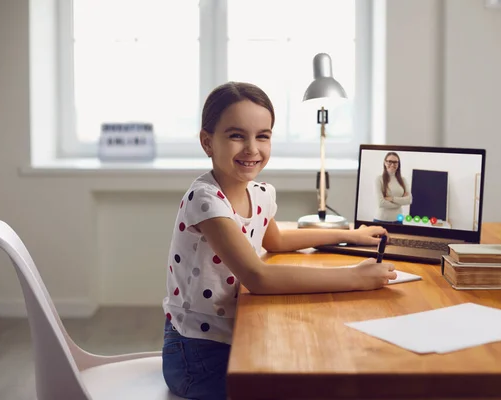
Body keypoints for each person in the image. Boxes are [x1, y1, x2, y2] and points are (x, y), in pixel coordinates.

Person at [162, 81, 397, 400]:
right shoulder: (206, 201)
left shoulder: (259, 193)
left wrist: (348, 235)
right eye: (236, 135)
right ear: (207, 142)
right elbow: (258, 277)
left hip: (235, 337)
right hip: (197, 355)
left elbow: (277, 240)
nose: (251, 148)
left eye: (263, 136)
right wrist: (355, 276)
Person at [374, 152, 412, 224]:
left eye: (395, 162)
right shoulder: (379, 179)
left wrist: (392, 199)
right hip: (381, 220)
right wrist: (400, 202)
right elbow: (381, 203)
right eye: (389, 162)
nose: (392, 164)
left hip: (398, 220)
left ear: (398, 164)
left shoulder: (403, 180)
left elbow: (409, 200)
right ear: (385, 163)